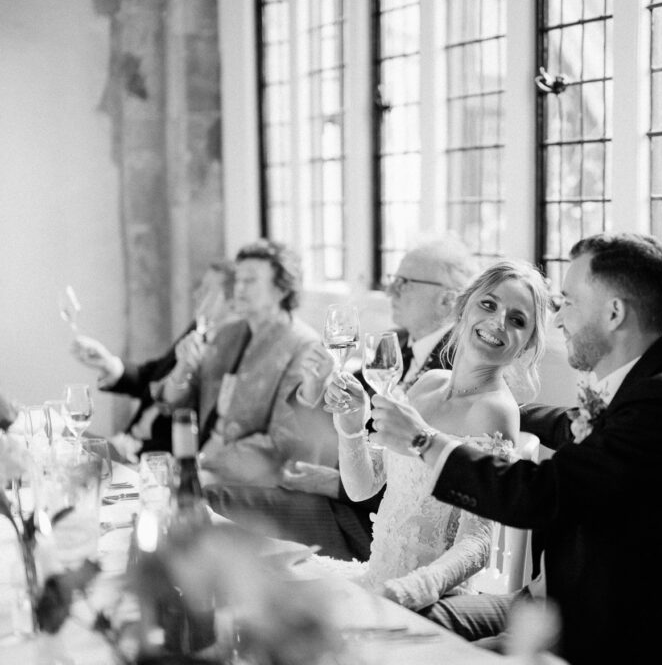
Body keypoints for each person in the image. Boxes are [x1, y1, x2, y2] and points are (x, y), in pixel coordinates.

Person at [370, 233, 662, 665]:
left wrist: (425, 440)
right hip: (546, 602)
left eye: (569, 302)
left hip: (604, 637)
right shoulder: (638, 391)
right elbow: (575, 430)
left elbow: (542, 495)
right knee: (399, 628)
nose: (558, 320)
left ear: (614, 313)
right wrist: (478, 409)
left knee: (409, 650)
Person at [321, 259, 549, 611]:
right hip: (375, 577)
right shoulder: (428, 384)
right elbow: (363, 487)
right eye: (488, 304)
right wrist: (351, 426)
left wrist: (409, 592)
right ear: (462, 308)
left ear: (526, 345)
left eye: (517, 320)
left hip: (429, 600)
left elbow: (478, 542)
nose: (498, 322)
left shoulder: (494, 411)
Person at [156, 239, 370, 560]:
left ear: (282, 289)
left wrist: (199, 467)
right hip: (204, 464)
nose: (239, 289)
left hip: (260, 477)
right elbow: (172, 405)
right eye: (237, 280)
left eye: (251, 280)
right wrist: (182, 370)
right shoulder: (227, 334)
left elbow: (281, 442)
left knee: (169, 508)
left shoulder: (302, 346)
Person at [280, 237, 475, 497]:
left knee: (232, 501)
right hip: (343, 485)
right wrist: (314, 388)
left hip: (370, 515)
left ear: (448, 300)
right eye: (394, 279)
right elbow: (343, 413)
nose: (390, 291)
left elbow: (438, 476)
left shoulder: (461, 366)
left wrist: (335, 484)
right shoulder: (396, 342)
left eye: (405, 283)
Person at [70, 260, 235, 457]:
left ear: (233, 301)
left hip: (152, 458)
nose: (196, 294)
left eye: (206, 289)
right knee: (56, 439)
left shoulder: (232, 352)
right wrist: (109, 363)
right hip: (125, 443)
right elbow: (153, 376)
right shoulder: (197, 329)